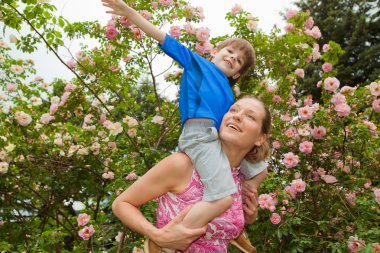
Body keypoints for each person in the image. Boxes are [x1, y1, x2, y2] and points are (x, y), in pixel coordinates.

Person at [112, 96, 271, 252]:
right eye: (233, 110)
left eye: (250, 116)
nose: (237, 116)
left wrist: (249, 217)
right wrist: (157, 236)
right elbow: (121, 204)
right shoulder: (182, 165)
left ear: (260, 138)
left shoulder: (240, 179)